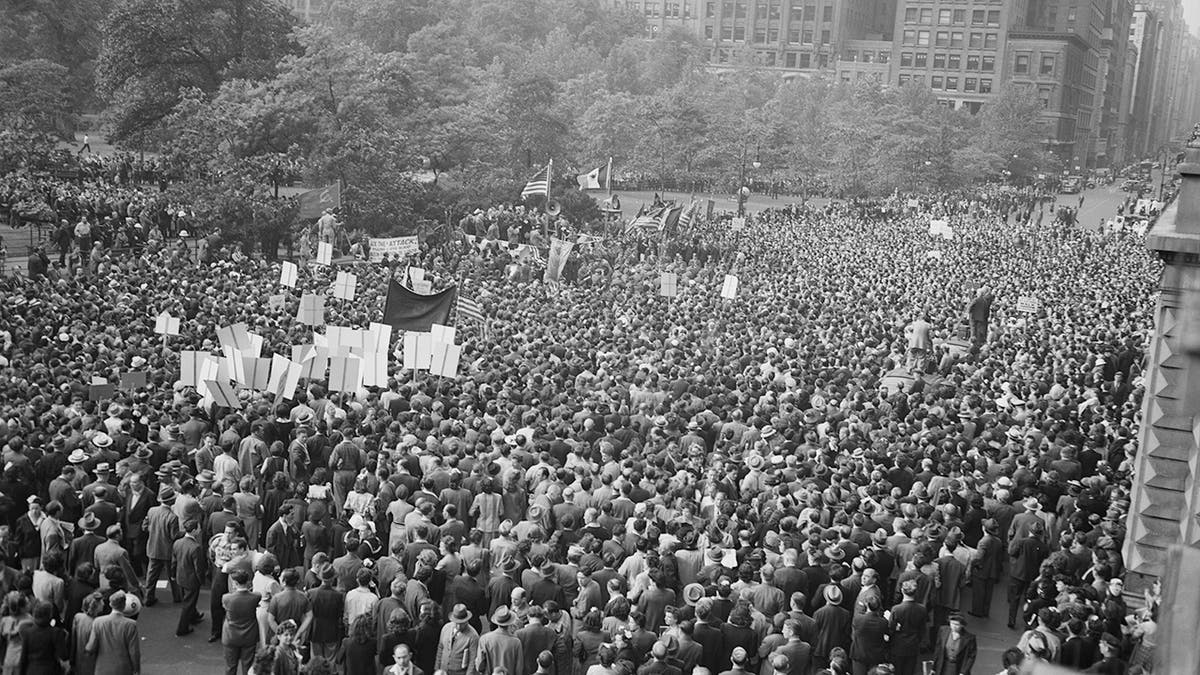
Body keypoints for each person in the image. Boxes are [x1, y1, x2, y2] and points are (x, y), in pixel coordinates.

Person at [85, 591, 140, 675]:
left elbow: (90, 647)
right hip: (123, 669)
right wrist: (136, 669)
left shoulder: (98, 622)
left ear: (111, 605)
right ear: (124, 605)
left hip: (102, 668)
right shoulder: (131, 625)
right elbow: (134, 651)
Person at [221, 568, 260, 675]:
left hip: (230, 636)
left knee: (230, 667)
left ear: (235, 583)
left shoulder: (226, 598)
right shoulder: (256, 597)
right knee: (247, 666)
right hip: (249, 636)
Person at [173, 518, 205, 636]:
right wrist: (201, 580)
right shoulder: (196, 547)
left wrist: (172, 575)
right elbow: (198, 568)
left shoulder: (177, 543)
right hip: (191, 580)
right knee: (188, 604)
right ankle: (182, 629)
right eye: (199, 527)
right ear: (194, 530)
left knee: (188, 601)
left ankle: (193, 617)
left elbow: (174, 561)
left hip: (180, 576)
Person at [17, 601, 68, 675]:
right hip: (51, 670)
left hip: (31, 670)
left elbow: (23, 659)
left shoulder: (28, 633)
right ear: (50, 615)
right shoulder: (56, 632)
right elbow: (63, 655)